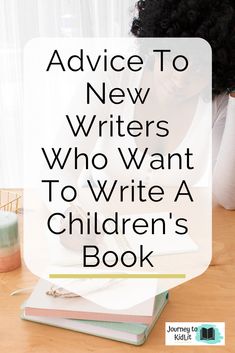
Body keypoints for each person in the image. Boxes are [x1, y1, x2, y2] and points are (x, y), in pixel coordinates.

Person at [131, 0, 235, 210]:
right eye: (175, 59)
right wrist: (68, 212)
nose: (180, 80)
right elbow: (57, 171)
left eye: (198, 68)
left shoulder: (218, 100)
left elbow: (228, 197)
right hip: (109, 224)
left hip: (181, 230)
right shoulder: (115, 78)